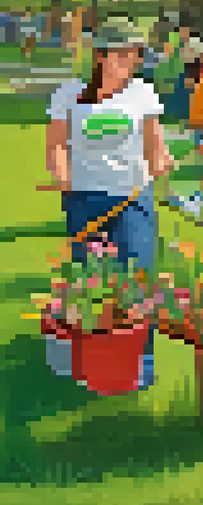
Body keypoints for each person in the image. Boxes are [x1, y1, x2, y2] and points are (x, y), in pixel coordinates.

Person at [41, 19, 170, 390]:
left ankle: (140, 362)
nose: (131, 61)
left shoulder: (143, 93)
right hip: (84, 199)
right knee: (89, 282)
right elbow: (56, 144)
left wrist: (161, 160)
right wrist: (63, 177)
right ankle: (91, 359)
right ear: (101, 56)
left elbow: (154, 143)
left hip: (132, 198)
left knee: (137, 278)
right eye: (122, 53)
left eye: (135, 54)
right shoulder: (69, 94)